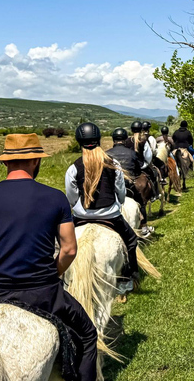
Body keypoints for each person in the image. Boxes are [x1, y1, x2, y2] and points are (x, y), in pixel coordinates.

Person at [0, 133, 97, 380]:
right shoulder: (55, 198)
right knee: (87, 334)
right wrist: (50, 276)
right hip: (43, 292)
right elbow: (69, 249)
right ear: (35, 161)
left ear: (5, 162)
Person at [65, 123, 139, 294]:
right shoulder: (112, 163)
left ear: (79, 142)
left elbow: (71, 195)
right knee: (131, 241)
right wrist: (119, 202)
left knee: (61, 245)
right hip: (111, 216)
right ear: (98, 140)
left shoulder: (73, 168)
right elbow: (120, 190)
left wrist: (80, 207)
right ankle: (129, 277)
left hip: (81, 216)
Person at [106, 127, 153, 237]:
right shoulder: (132, 153)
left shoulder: (106, 154)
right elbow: (138, 170)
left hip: (112, 187)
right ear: (125, 139)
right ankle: (144, 226)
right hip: (129, 186)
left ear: (113, 140)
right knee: (141, 202)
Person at [130, 120, 159, 199]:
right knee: (154, 173)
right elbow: (148, 156)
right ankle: (154, 194)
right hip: (141, 166)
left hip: (130, 167)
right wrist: (147, 163)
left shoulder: (127, 141)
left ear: (131, 130)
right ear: (141, 130)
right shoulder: (144, 141)